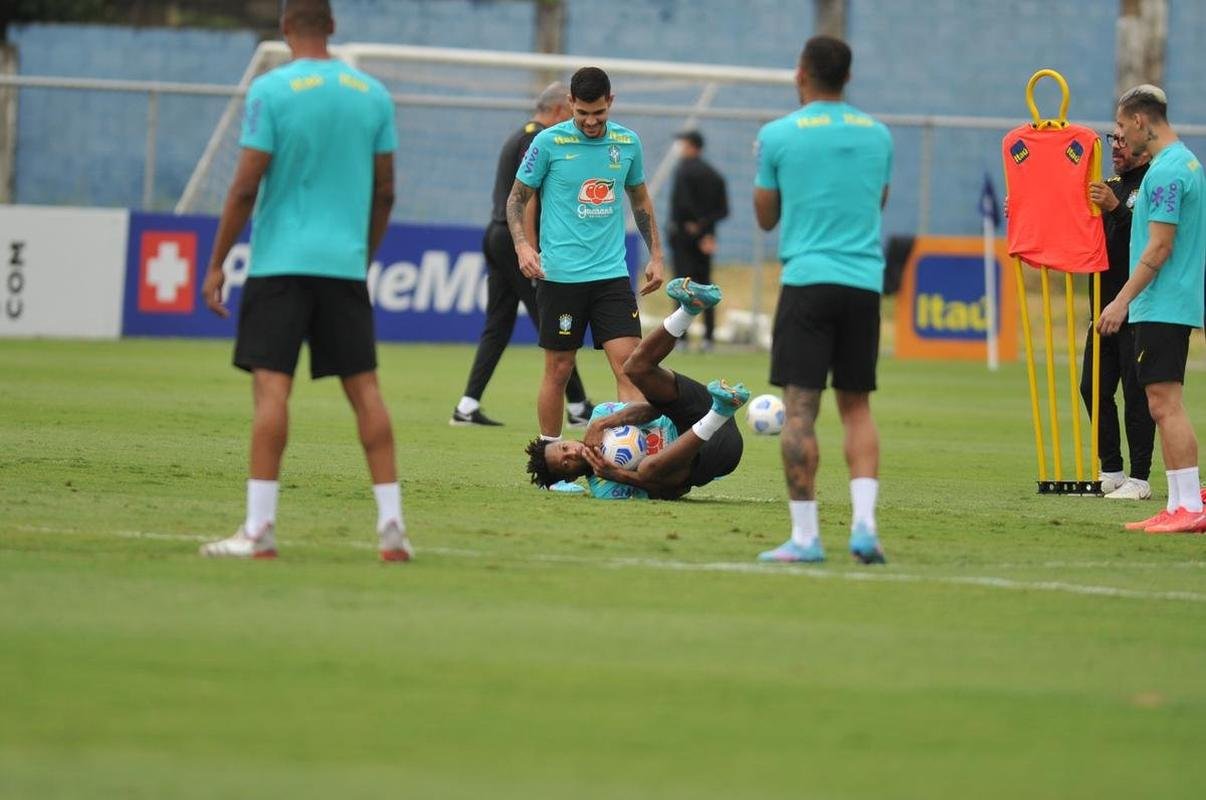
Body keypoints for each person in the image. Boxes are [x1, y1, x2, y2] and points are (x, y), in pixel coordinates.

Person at [197, 0, 412, 561]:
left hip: (280, 264)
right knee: (366, 391)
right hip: (342, 265)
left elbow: (245, 186)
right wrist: (362, 254)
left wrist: (218, 261)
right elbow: (386, 190)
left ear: (284, 28)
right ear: (334, 27)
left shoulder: (271, 91)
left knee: (272, 390)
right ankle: (392, 525)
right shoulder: (374, 94)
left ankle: (259, 529)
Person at [752, 35, 893, 564]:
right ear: (848, 77)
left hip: (808, 280)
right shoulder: (879, 136)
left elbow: (765, 217)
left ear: (800, 73)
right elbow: (878, 201)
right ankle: (864, 527)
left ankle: (807, 537)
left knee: (800, 412)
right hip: (863, 282)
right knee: (857, 406)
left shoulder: (778, 135)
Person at [506, 66, 666, 448]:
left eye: (599, 113)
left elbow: (640, 199)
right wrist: (524, 247)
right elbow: (517, 198)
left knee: (631, 370)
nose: (591, 122)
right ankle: (551, 457)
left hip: (611, 276)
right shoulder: (547, 142)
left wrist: (656, 256)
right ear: (570, 104)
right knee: (559, 370)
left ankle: (637, 456)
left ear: (610, 103)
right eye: (583, 114)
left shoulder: (628, 143)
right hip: (560, 277)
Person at [450, 83, 595, 428]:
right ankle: (577, 407)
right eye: (574, 112)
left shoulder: (521, 134)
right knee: (551, 321)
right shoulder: (538, 139)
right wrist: (530, 248)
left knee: (498, 325)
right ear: (562, 110)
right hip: (514, 240)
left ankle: (466, 407)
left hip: (497, 233)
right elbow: (528, 197)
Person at [524, 278, 746, 499]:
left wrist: (604, 423)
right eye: (565, 464)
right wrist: (618, 474)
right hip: (714, 452)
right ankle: (720, 413)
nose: (571, 453)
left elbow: (654, 409)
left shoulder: (600, 415)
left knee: (633, 368)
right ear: (570, 478)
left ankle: (689, 308)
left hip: (700, 408)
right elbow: (676, 490)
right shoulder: (605, 488)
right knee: (648, 470)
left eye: (564, 448)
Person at [1097, 84, 1206, 534]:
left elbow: (1159, 248)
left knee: (1166, 405)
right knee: (1163, 404)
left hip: (1162, 302)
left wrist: (1121, 300)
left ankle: (1187, 506)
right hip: (1168, 301)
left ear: (1141, 122)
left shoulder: (1165, 173)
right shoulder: (1184, 163)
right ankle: (1181, 502)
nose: (1119, 137)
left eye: (1121, 127)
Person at [1084, 126, 1155, 500]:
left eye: (1123, 140)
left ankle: (1140, 479)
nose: (1115, 146)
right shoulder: (1110, 182)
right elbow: (1074, 227)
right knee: (1092, 387)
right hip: (1101, 302)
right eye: (1113, 138)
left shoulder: (1153, 183)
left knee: (1136, 392)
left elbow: (1148, 241)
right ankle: (1111, 469)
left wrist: (1115, 208)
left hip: (1137, 304)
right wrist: (1023, 211)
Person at [667, 130, 729, 351]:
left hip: (683, 238)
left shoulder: (683, 171)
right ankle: (708, 338)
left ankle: (680, 337)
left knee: (681, 286)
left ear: (692, 146)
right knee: (706, 287)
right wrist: (706, 230)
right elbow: (723, 210)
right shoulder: (715, 175)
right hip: (706, 240)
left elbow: (682, 205)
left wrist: (693, 224)